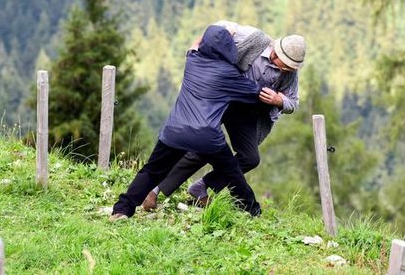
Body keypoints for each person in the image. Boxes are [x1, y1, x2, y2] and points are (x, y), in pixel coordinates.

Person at [142, 21, 305, 210]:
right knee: (201, 148)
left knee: (250, 158)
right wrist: (195, 48)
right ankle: (155, 190)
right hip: (220, 98)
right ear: (276, 52)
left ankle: (201, 187)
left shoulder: (290, 73)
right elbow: (216, 30)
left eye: (291, 69)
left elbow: (293, 102)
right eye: (285, 66)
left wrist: (279, 101)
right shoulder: (254, 38)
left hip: (247, 114)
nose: (287, 71)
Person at [110, 25, 264, 221]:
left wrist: (217, 33)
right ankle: (253, 212)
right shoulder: (229, 74)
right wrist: (279, 99)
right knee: (233, 173)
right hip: (207, 137)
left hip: (175, 132)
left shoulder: (192, 60)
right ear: (229, 48)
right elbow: (257, 93)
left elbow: (195, 44)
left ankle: (121, 210)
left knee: (151, 171)